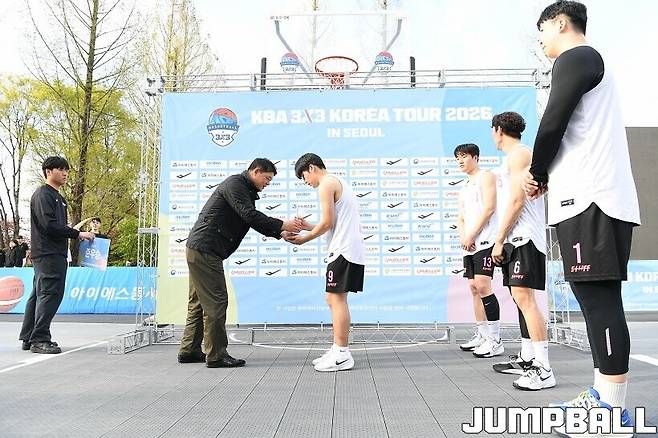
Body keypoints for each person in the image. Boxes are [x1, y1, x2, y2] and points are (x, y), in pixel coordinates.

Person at [524, 1, 640, 432]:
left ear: (561, 23)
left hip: (593, 199)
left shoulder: (579, 56)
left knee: (599, 300)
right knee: (592, 301)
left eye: (542, 31)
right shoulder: (581, 63)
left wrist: (537, 172)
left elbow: (553, 120)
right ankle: (601, 396)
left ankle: (611, 410)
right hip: (585, 199)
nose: (540, 41)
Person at [179, 158, 301, 368]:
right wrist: (282, 224)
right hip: (206, 250)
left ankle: (189, 350)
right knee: (216, 303)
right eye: (267, 178)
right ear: (255, 171)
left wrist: (280, 233)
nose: (268, 183)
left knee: (198, 302)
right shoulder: (235, 184)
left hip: (200, 248)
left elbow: (248, 218)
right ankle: (216, 355)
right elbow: (249, 215)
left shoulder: (242, 188)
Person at [489, 111, 556, 391]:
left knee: (525, 299)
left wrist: (499, 239)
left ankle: (544, 368)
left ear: (498, 130)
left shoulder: (519, 154)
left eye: (492, 130)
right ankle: (528, 358)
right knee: (520, 298)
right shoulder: (512, 158)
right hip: (516, 238)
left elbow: (517, 201)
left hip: (525, 236)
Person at [284, 153, 365, 372]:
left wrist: (303, 239)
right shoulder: (336, 181)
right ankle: (338, 349)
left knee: (336, 300)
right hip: (345, 248)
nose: (307, 183)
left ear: (311, 168)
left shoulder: (326, 184)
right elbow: (333, 222)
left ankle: (342, 353)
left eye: (304, 177)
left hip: (343, 250)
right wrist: (308, 226)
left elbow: (328, 223)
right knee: (333, 299)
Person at [19, 156, 95, 354]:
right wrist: (78, 234)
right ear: (48, 171)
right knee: (49, 294)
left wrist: (72, 233)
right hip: (48, 253)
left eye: (66, 170)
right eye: (60, 169)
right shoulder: (43, 195)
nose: (65, 173)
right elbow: (49, 225)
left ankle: (29, 336)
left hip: (53, 253)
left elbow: (57, 227)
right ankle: (40, 339)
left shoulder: (58, 197)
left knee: (39, 294)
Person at [454, 143, 503, 358]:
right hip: (470, 245)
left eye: (464, 156)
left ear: (475, 157)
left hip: (486, 241)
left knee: (483, 286)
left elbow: (489, 209)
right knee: (474, 288)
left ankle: (495, 340)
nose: (460, 161)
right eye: (458, 158)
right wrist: (464, 237)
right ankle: (483, 335)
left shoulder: (486, 176)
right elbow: (461, 217)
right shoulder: (464, 187)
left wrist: (472, 235)